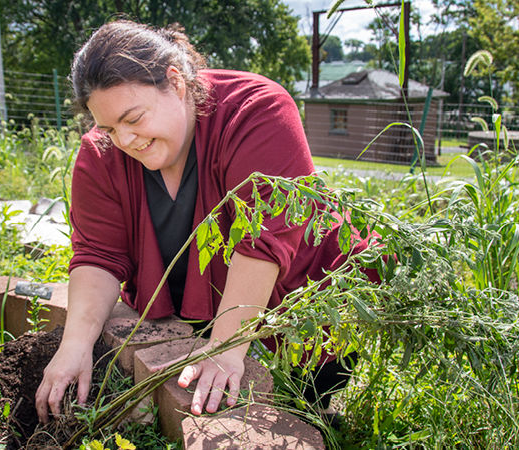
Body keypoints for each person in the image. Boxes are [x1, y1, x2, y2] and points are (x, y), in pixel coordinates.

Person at [34, 20, 373, 423]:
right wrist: (75, 344)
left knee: (307, 401)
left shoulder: (256, 110)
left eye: (134, 118)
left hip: (301, 294)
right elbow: (98, 255)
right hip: (198, 305)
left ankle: (318, 412)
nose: (124, 141)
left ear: (175, 82)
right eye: (108, 127)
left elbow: (262, 239)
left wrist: (227, 347)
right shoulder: (102, 152)